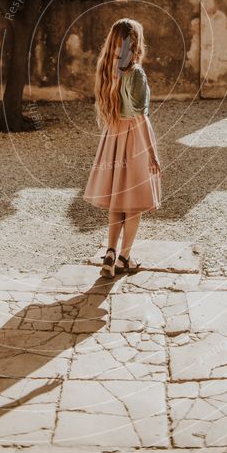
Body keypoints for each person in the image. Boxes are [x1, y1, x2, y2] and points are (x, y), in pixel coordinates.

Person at [83, 18, 162, 277]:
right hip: (133, 138)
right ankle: (125, 258)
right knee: (134, 203)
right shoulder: (135, 72)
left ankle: (109, 252)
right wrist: (151, 153)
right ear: (135, 42)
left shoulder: (108, 69)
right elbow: (140, 118)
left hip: (113, 135)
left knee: (118, 198)